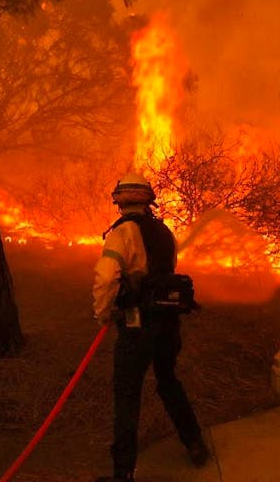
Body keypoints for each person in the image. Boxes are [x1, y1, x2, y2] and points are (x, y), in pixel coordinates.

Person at [93, 173, 210, 482]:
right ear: (149, 200)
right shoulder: (164, 232)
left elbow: (106, 277)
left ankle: (123, 473)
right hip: (167, 323)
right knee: (168, 380)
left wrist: (103, 312)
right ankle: (195, 443)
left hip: (137, 325)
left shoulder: (121, 234)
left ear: (118, 200)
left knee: (128, 393)